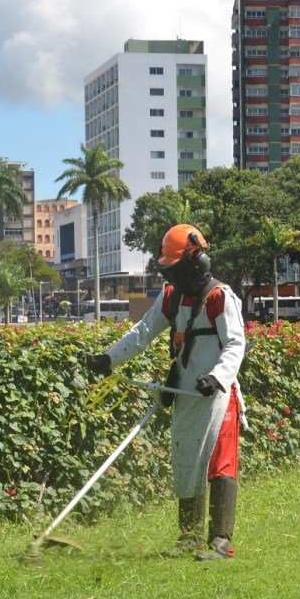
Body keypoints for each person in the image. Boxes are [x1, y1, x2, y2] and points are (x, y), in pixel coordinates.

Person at [87, 224, 247, 561]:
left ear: (197, 261)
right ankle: (189, 538)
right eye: (168, 270)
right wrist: (109, 358)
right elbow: (143, 332)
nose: (173, 277)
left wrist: (217, 377)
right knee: (186, 461)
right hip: (185, 392)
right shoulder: (172, 295)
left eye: (176, 269)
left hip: (218, 395)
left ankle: (220, 542)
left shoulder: (220, 297)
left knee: (220, 464)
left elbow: (235, 345)